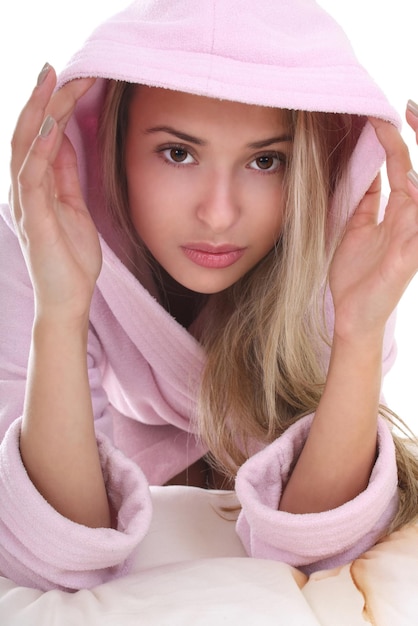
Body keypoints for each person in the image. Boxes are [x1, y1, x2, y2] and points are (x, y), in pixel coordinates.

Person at [1, 0, 418, 592]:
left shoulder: (339, 262)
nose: (219, 214)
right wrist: (61, 310)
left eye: (265, 161)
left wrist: (358, 331)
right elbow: (52, 554)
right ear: (108, 145)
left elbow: (320, 553)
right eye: (178, 152)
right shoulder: (38, 241)